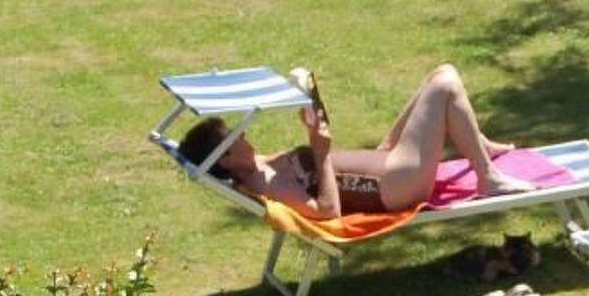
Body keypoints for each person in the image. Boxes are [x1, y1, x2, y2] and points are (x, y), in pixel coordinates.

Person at [177, 63, 534, 218]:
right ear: (225, 159)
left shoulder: (258, 164)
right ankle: (487, 178)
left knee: (441, 72)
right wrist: (321, 153)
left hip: (384, 161)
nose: (242, 134)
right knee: (445, 86)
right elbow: (328, 212)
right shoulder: (265, 184)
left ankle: (479, 145)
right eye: (233, 136)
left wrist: (313, 126)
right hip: (397, 182)